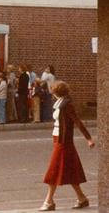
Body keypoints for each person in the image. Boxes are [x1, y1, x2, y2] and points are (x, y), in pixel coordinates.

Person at [39, 81, 95, 211]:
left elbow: (77, 122)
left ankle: (49, 201)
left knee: (54, 169)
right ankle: (82, 198)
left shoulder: (66, 105)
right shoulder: (60, 104)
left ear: (55, 92)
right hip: (57, 139)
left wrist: (89, 138)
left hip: (63, 141)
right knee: (70, 170)